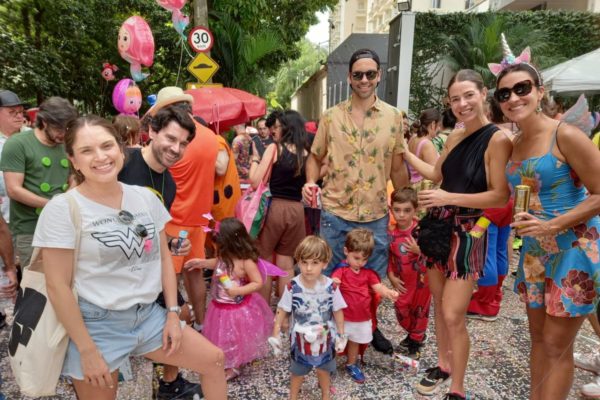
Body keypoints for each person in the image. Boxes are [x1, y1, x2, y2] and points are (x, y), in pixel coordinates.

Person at [32, 115, 226, 399]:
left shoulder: (144, 198)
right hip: (96, 324)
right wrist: (86, 348)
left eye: (106, 146)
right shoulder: (63, 209)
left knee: (214, 360)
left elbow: (162, 258)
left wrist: (173, 314)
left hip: (149, 316)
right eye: (87, 150)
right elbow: (57, 286)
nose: (100, 157)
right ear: (73, 160)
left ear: (120, 148)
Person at [495, 41, 600, 400]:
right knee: (538, 339)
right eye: (504, 93)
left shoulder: (565, 135)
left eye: (522, 88)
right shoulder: (514, 143)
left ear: (540, 92)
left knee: (557, 344)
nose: (513, 98)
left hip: (574, 249)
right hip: (536, 252)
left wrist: (553, 225)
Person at [403, 69, 512, 399]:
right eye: (455, 99)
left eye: (468, 95)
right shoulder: (453, 136)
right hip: (438, 227)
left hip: (467, 232)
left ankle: (458, 388)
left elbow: (499, 195)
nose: (462, 104)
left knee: (453, 313)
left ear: (483, 93)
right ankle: (443, 363)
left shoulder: (498, 139)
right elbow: (436, 174)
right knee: (438, 303)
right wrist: (401, 151)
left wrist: (447, 197)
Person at [302, 48, 408, 353]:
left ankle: (368, 330)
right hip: (335, 213)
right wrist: (310, 182)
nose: (364, 79)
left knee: (372, 281)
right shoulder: (331, 116)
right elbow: (314, 156)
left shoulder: (393, 117)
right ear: (349, 77)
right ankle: (331, 333)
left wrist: (406, 213)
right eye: (358, 74)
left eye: (370, 74)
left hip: (375, 214)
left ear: (379, 76)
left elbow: (398, 166)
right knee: (330, 279)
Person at [117, 105, 201, 399]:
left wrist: (173, 244)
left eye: (183, 143)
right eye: (170, 138)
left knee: (179, 314)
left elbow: (152, 229)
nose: (176, 148)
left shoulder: (169, 182)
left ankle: (169, 383)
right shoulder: (122, 162)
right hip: (112, 273)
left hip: (148, 266)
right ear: (151, 132)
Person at [148, 87, 219, 334]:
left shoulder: (170, 139)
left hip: (172, 221)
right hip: (199, 219)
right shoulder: (211, 136)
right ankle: (200, 322)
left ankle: (171, 326)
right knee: (196, 273)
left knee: (168, 278)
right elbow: (221, 171)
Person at [184, 218, 273, 381]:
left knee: (235, 337)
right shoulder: (225, 256)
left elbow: (258, 282)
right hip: (218, 306)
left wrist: (238, 290)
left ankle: (234, 365)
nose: (218, 248)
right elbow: (217, 263)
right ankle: (224, 356)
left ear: (233, 243)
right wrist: (201, 262)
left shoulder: (245, 261)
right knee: (220, 334)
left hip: (236, 309)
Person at [0, 96, 78, 268]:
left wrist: (68, 197)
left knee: (67, 277)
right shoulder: (17, 143)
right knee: (36, 284)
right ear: (43, 121)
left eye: (67, 128)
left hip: (64, 224)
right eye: (59, 127)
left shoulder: (65, 144)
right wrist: (53, 204)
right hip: (30, 229)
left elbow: (73, 175)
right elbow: (14, 189)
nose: (64, 133)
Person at [269, 236, 347, 400]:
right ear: (298, 262)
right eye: (304, 262)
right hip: (300, 340)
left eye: (315, 263)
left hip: (325, 338)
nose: (308, 268)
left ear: (325, 263)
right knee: (297, 372)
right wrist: (275, 334)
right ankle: (293, 396)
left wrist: (341, 334)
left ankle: (325, 394)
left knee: (323, 370)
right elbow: (282, 309)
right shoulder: (293, 286)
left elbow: (338, 310)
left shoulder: (331, 287)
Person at [250, 110, 307, 301]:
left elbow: (255, 181)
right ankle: (283, 315)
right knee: (287, 265)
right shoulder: (305, 153)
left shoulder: (275, 149)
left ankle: (264, 311)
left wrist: (255, 160)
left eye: (277, 126)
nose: (274, 130)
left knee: (264, 260)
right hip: (297, 211)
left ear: (287, 127)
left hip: (275, 209)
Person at [331, 229, 399, 383]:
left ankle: (351, 364)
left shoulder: (368, 274)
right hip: (343, 317)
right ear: (346, 251)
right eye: (356, 258)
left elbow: (378, 287)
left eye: (364, 259)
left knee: (354, 341)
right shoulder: (341, 270)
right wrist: (334, 283)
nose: (360, 262)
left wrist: (388, 292)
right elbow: (333, 282)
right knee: (337, 341)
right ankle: (329, 365)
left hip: (361, 317)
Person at [387, 188, 431, 360]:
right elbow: (389, 257)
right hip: (402, 281)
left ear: (415, 210)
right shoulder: (390, 232)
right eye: (397, 210)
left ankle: (416, 341)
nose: (402, 215)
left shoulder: (421, 230)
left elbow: (435, 253)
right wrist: (391, 276)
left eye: (407, 210)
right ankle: (414, 334)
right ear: (391, 210)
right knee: (402, 309)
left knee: (420, 311)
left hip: (422, 282)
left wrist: (419, 249)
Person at [0, 90, 23, 329]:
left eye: (20, 111)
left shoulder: (28, 138)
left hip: (23, 224)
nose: (19, 116)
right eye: (12, 112)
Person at [407, 108, 440, 190]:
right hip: (424, 189)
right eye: (438, 126)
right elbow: (435, 176)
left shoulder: (413, 138)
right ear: (433, 124)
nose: (439, 129)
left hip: (412, 185)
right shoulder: (427, 144)